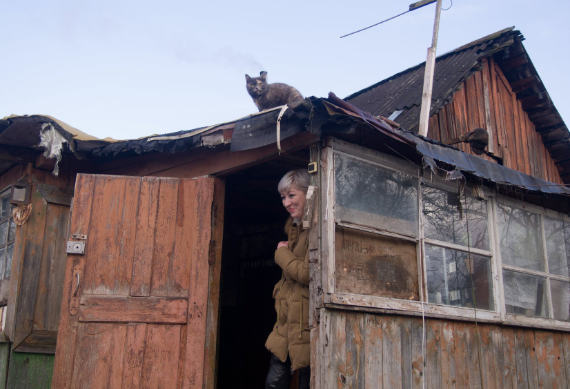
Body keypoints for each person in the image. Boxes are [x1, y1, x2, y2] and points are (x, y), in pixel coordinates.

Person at [265, 169, 311, 389]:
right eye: (283, 197)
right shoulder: (294, 229)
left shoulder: (316, 229)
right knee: (273, 383)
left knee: (306, 381)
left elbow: (307, 273)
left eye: (291, 195)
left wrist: (282, 254)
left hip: (305, 324)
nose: (286, 202)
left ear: (307, 193)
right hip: (285, 323)